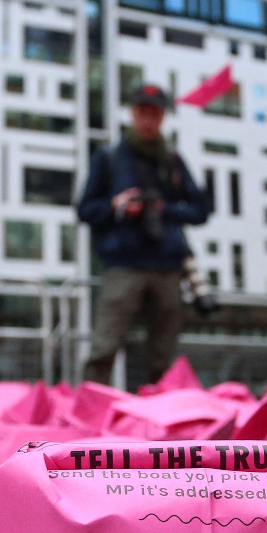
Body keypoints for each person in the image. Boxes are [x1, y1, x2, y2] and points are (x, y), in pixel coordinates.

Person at [77, 83, 210, 386]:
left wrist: (164, 208)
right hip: (123, 264)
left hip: (167, 266)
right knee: (104, 346)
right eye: (142, 112)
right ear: (132, 113)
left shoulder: (173, 161)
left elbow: (200, 211)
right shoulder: (109, 158)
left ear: (162, 116)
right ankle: (88, 411)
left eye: (155, 113)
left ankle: (159, 418)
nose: (148, 120)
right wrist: (117, 206)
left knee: (163, 355)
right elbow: (85, 210)